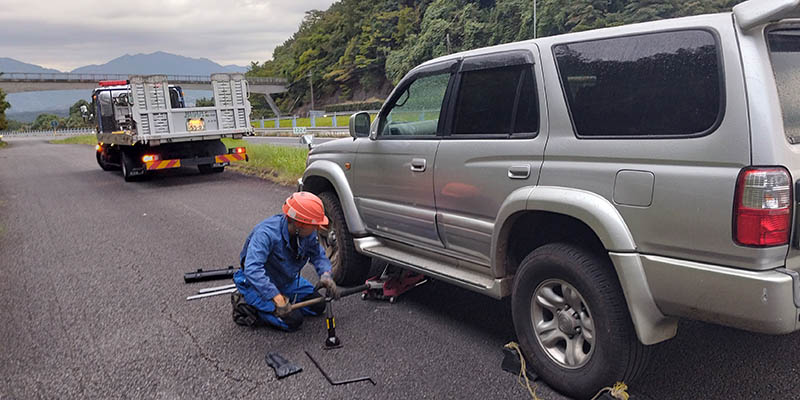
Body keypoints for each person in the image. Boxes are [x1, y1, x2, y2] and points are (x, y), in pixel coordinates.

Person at [231, 191, 338, 331]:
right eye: (314, 225)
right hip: (256, 285)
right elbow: (252, 269)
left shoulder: (307, 233)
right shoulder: (265, 234)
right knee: (293, 321)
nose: (317, 228)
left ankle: (280, 305)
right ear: (300, 224)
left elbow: (317, 255)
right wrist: (276, 297)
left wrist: (325, 275)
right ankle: (248, 306)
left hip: (286, 281)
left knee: (318, 306)